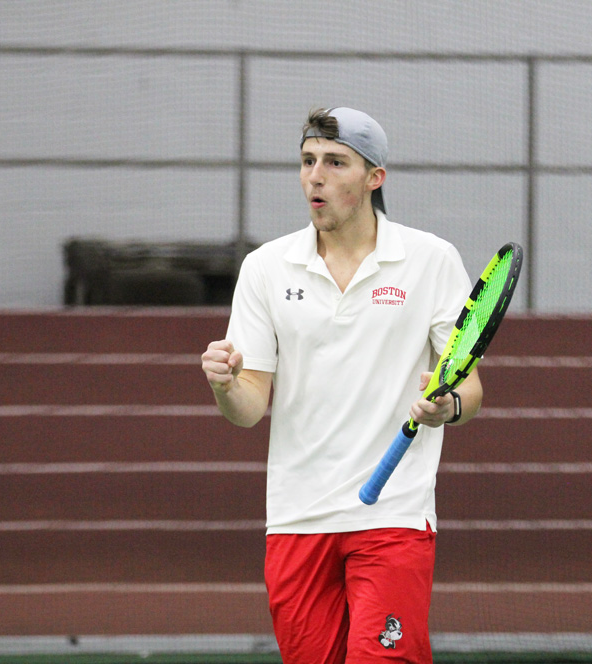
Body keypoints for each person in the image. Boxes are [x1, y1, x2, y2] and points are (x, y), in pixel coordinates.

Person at [201, 107, 482, 663]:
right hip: (296, 519)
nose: (316, 176)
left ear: (374, 177)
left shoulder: (431, 260)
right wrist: (226, 383)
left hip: (393, 516)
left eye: (335, 162)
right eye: (307, 162)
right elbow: (250, 407)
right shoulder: (265, 268)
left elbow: (469, 389)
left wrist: (445, 406)